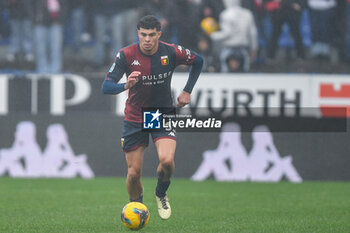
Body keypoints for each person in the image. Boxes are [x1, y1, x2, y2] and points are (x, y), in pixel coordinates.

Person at [101, 15, 203, 220]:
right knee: (133, 174)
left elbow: (198, 61)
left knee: (166, 161)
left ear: (159, 35)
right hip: (135, 116)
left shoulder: (171, 51)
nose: (147, 39)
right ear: (138, 34)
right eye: (143, 35)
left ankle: (161, 193)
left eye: (151, 35)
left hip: (160, 113)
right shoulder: (126, 55)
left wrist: (187, 91)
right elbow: (106, 87)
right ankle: (136, 209)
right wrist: (125, 86)